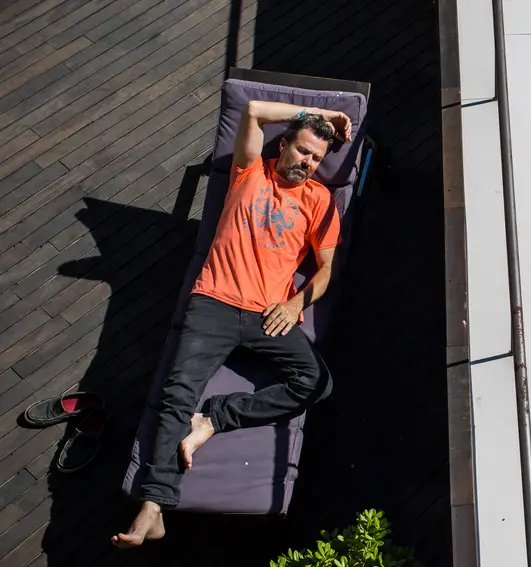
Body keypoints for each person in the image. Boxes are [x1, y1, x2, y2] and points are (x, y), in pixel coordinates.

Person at [112, 101, 353, 548]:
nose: (308, 163)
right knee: (176, 393)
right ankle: (154, 505)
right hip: (215, 303)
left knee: (317, 383)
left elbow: (326, 270)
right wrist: (319, 112)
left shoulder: (319, 201)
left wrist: (294, 301)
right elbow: (256, 110)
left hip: (269, 315)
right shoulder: (250, 172)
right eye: (302, 151)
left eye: (317, 158)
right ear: (283, 145)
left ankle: (214, 420)